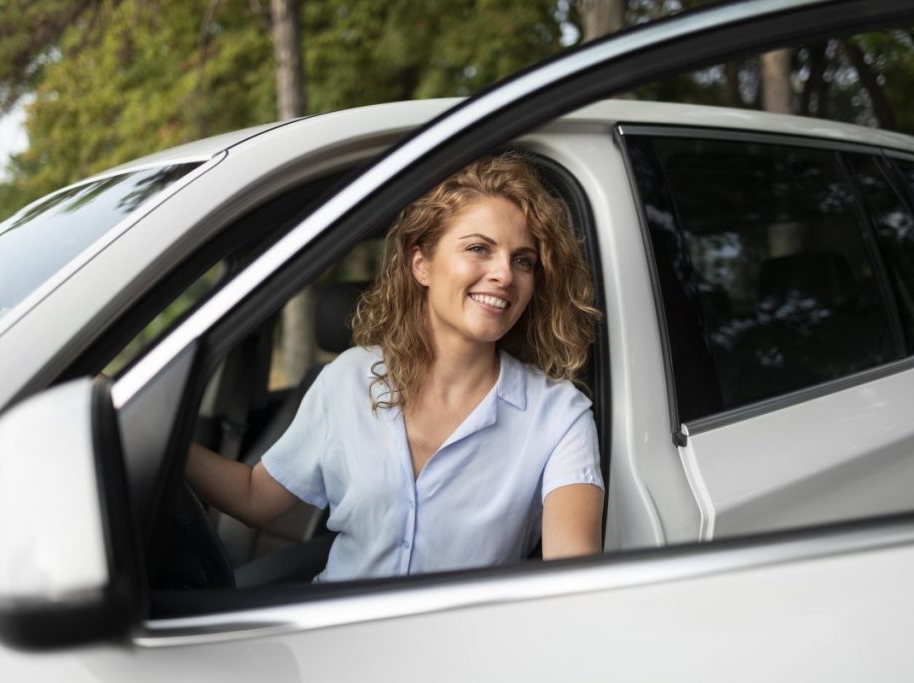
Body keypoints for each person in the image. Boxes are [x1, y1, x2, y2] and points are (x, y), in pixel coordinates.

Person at [186, 152, 604, 582]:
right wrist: (144, 435)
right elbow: (257, 497)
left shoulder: (559, 417)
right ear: (420, 264)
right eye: (479, 248)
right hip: (326, 637)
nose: (504, 274)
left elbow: (570, 583)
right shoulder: (348, 379)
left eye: (523, 260)